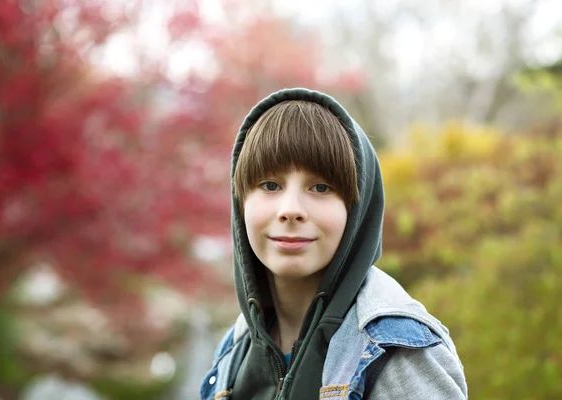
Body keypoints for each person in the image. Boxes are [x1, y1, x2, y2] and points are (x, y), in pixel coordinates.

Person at [200, 88, 467, 399]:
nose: (290, 210)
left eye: (321, 187)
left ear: (356, 210)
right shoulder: (233, 351)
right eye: (270, 185)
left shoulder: (397, 352)